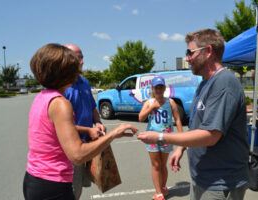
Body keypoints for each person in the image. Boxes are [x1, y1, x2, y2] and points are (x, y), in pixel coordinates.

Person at [138, 29, 249, 200]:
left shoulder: (224, 83)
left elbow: (211, 135)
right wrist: (181, 147)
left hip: (220, 182)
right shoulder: (205, 83)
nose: (187, 58)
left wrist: (161, 137)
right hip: (202, 177)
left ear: (209, 51)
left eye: (190, 52)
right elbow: (198, 125)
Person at [23, 43, 138, 200]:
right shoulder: (60, 103)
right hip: (53, 185)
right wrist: (112, 135)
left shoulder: (42, 97)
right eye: (73, 64)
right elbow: (77, 155)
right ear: (64, 71)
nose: (80, 66)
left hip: (34, 179)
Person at [64, 43, 106, 199]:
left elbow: (92, 108)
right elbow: (62, 125)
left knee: (80, 185)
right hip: (70, 149)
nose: (82, 62)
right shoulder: (62, 87)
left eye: (82, 57)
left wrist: (98, 122)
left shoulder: (84, 83)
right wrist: (88, 130)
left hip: (86, 145)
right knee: (70, 189)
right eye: (78, 57)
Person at [138, 76, 183, 200]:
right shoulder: (149, 102)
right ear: (152, 88)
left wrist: (181, 137)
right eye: (156, 87)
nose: (158, 89)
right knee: (156, 165)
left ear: (164, 88)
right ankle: (158, 193)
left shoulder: (170, 102)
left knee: (163, 165)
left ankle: (163, 187)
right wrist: (152, 108)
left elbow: (178, 120)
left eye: (161, 87)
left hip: (166, 138)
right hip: (152, 138)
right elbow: (140, 117)